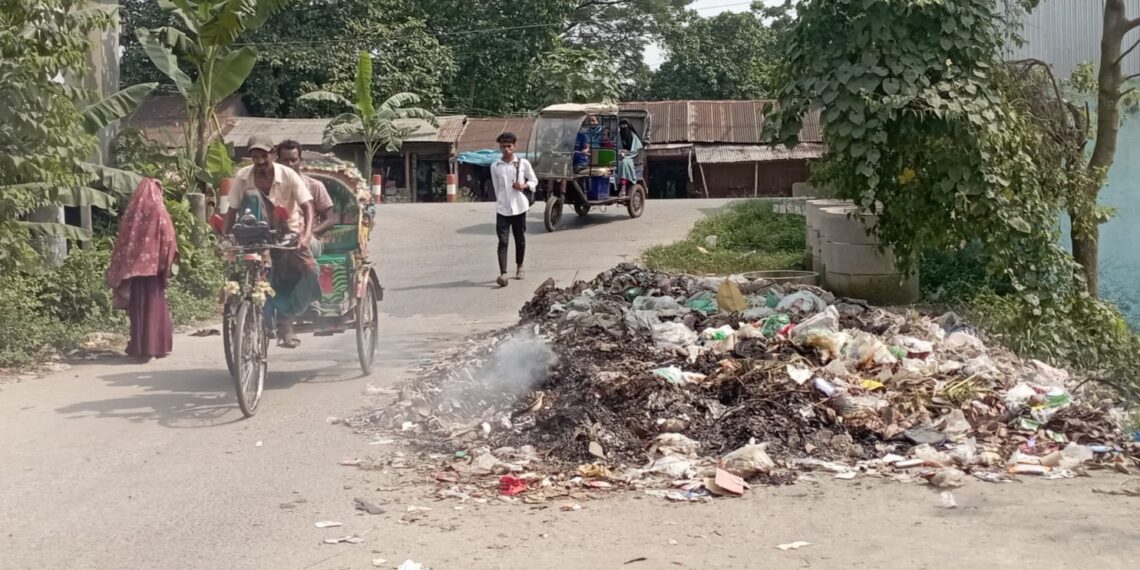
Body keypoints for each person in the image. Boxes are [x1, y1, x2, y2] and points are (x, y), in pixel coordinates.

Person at [224, 134, 318, 348]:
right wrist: (224, 237)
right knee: (240, 276)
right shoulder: (243, 176)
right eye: (255, 157)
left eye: (263, 156)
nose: (259, 161)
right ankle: (248, 314)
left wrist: (306, 236)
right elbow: (232, 209)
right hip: (252, 234)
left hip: (287, 233)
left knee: (310, 270)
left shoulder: (288, 175)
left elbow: (307, 206)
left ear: (273, 154)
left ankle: (289, 316)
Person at [106, 178, 178, 361]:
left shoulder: (132, 213)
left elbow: (123, 241)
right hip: (153, 271)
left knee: (138, 309)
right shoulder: (159, 210)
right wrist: (166, 262)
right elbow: (168, 237)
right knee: (154, 307)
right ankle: (157, 347)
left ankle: (140, 348)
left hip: (135, 270)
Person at [490, 131, 537, 288]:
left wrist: (523, 185)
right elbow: (497, 188)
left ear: (514, 146)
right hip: (502, 208)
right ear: (500, 147)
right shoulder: (495, 166)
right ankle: (503, 273)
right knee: (503, 241)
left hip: (519, 207)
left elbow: (534, 180)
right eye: (503, 146)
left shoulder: (523, 164)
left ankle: (520, 266)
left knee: (520, 238)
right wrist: (500, 201)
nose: (506, 149)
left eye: (509, 146)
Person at [276, 140, 335, 255]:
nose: (290, 164)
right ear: (278, 162)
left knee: (299, 248)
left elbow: (330, 220)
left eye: (293, 160)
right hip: (279, 238)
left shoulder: (315, 186)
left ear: (300, 160)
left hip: (309, 239)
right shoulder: (273, 187)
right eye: (285, 160)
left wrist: (308, 234)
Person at [617, 119, 643, 197]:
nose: (623, 127)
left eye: (625, 125)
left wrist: (626, 153)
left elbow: (635, 151)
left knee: (624, 162)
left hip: (630, 158)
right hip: (618, 156)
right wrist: (619, 151)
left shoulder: (633, 137)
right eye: (621, 125)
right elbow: (615, 147)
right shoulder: (618, 136)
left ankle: (623, 187)